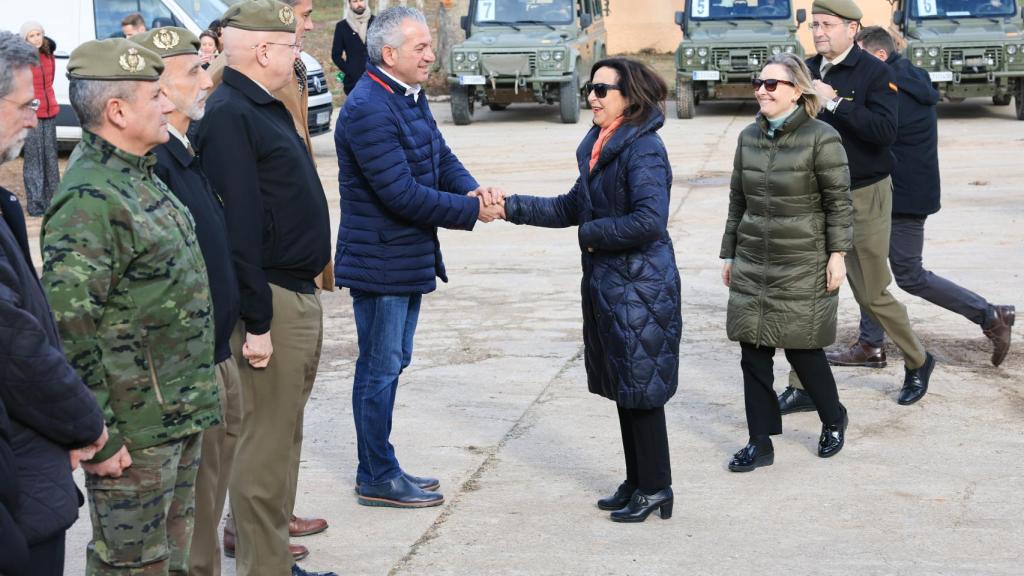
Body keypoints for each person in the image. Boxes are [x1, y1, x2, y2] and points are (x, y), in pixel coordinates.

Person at [40, 38, 219, 575]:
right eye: (155, 95)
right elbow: (70, 332)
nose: (168, 104)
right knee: (132, 566)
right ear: (116, 110)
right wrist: (98, 434)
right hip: (134, 435)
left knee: (172, 562)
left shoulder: (140, 174)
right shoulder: (89, 199)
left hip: (178, 416)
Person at [334, 6, 504, 509]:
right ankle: (377, 475)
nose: (431, 54)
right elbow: (401, 194)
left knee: (393, 362)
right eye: (421, 48)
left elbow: (440, 156)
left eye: (430, 45)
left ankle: (381, 465)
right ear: (390, 54)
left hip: (406, 256)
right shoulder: (368, 107)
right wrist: (474, 212)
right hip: (381, 261)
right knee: (379, 368)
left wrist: (473, 189)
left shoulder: (406, 96)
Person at [503, 57, 681, 522]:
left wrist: (590, 234)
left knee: (642, 389)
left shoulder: (643, 149)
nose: (593, 97)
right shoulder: (602, 145)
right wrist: (508, 207)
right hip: (612, 284)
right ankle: (637, 479)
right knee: (626, 385)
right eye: (591, 88)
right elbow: (570, 206)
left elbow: (649, 221)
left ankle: (657, 486)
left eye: (604, 90)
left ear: (629, 97)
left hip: (641, 284)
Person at [195, 2, 334, 575]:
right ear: (262, 50)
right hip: (271, 299)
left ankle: (274, 559)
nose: (296, 52)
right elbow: (239, 227)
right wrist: (257, 321)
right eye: (289, 44)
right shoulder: (232, 113)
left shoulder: (262, 105)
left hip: (293, 291)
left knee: (283, 440)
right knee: (262, 449)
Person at [779, 0, 935, 414]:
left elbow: (884, 132)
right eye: (815, 25)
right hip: (814, 195)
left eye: (827, 24)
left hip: (863, 192)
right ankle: (803, 385)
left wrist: (833, 103)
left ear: (853, 29)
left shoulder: (874, 72)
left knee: (870, 291)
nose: (819, 32)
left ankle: (919, 360)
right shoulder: (807, 70)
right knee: (810, 292)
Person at [127, 27, 243, 576]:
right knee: (187, 514)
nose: (206, 80)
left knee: (209, 492)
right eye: (193, 72)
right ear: (157, 87)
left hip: (215, 350)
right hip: (181, 369)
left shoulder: (181, 153)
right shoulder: (155, 166)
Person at [0, 31, 108, 576]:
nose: (36, 113)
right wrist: (83, 423)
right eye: (23, 104)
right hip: (17, 469)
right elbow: (17, 343)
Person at [721, 53, 853, 473]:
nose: (762, 89)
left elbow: (839, 203)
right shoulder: (747, 137)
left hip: (802, 260)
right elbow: (737, 201)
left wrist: (838, 255)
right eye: (759, 82)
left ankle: (833, 418)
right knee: (752, 352)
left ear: (797, 90)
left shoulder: (822, 137)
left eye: (772, 84)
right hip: (754, 261)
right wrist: (729, 253)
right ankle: (760, 442)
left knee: (803, 349)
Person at [855, 26, 1015, 368]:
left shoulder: (893, 89)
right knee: (870, 266)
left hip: (902, 195)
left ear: (879, 56)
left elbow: (875, 133)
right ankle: (870, 345)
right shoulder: (909, 78)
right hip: (904, 191)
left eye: (860, 55)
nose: (855, 64)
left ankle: (990, 315)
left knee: (908, 274)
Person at [18, 21, 60, 217]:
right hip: (31, 113)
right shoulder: (21, 59)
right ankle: (35, 204)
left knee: (50, 158)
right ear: (25, 39)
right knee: (34, 159)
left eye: (38, 34)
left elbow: (49, 81)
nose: (35, 38)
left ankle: (53, 200)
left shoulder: (49, 53)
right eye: (31, 35)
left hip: (50, 111)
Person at [332, 0, 374, 95]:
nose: (359, 4)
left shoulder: (376, 22)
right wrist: (350, 70)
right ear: (349, 3)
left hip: (377, 80)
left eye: (361, 0)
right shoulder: (342, 26)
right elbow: (335, 55)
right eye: (355, 1)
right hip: (354, 83)